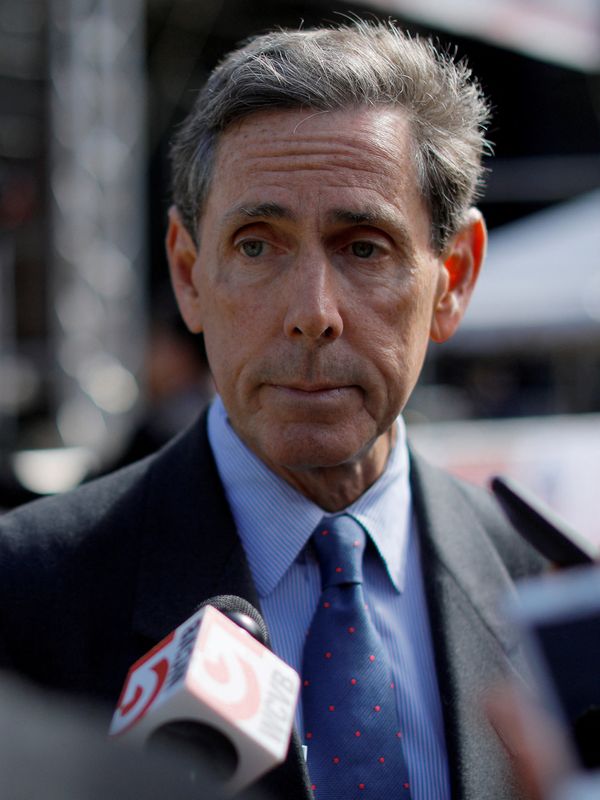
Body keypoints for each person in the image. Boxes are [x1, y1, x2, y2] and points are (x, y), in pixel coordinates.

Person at [0, 21, 546, 800]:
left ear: (453, 278)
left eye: (363, 247)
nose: (312, 312)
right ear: (189, 274)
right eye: (257, 246)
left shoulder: (546, 594)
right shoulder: (27, 594)